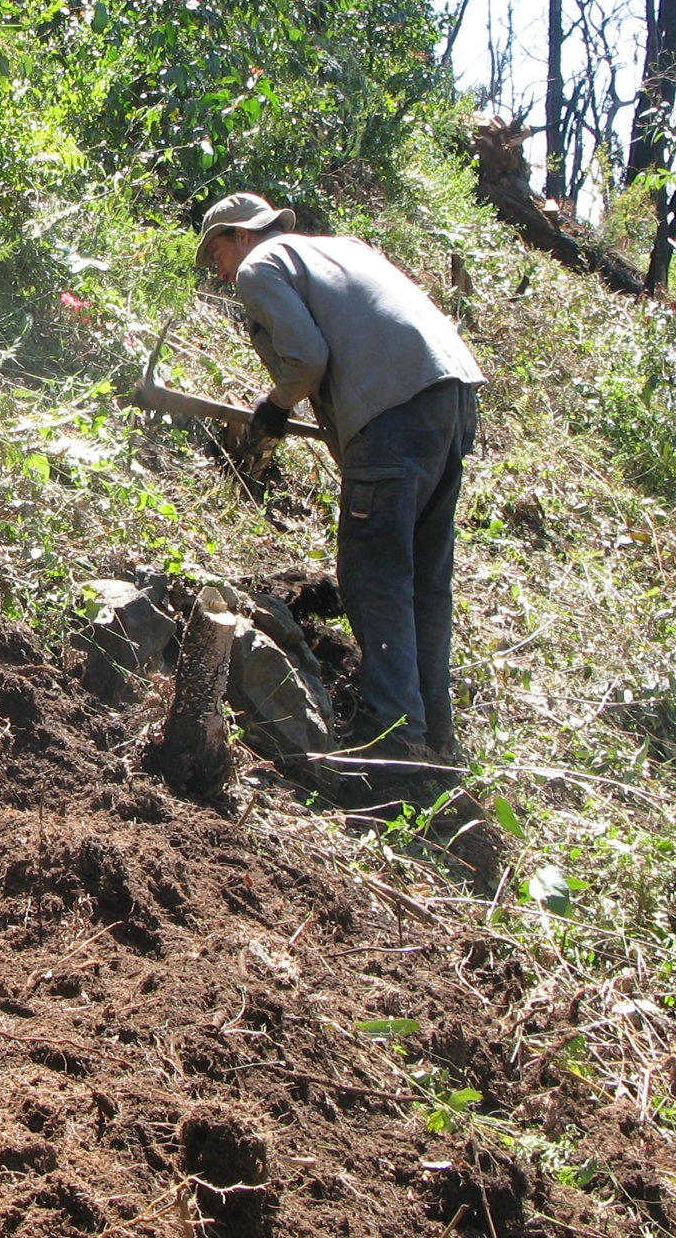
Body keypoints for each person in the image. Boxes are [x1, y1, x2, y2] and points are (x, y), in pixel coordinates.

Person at [195, 191, 484, 801]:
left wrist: (274, 406)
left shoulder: (262, 264)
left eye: (218, 254)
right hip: (451, 399)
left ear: (244, 235)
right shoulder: (341, 251)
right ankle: (437, 741)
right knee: (423, 581)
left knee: (373, 575)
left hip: (395, 414)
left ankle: (391, 746)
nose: (221, 273)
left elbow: (306, 359)